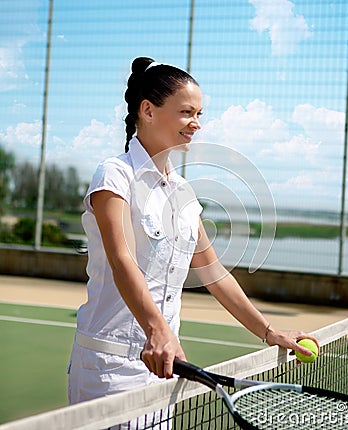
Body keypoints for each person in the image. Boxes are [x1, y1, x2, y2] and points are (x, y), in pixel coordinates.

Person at [68, 56, 319, 410]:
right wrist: (158, 330)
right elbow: (122, 259)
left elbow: (214, 275)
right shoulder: (114, 176)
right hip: (109, 369)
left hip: (163, 367)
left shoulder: (183, 193)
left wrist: (268, 331)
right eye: (187, 112)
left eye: (199, 114)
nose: (196, 124)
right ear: (148, 110)